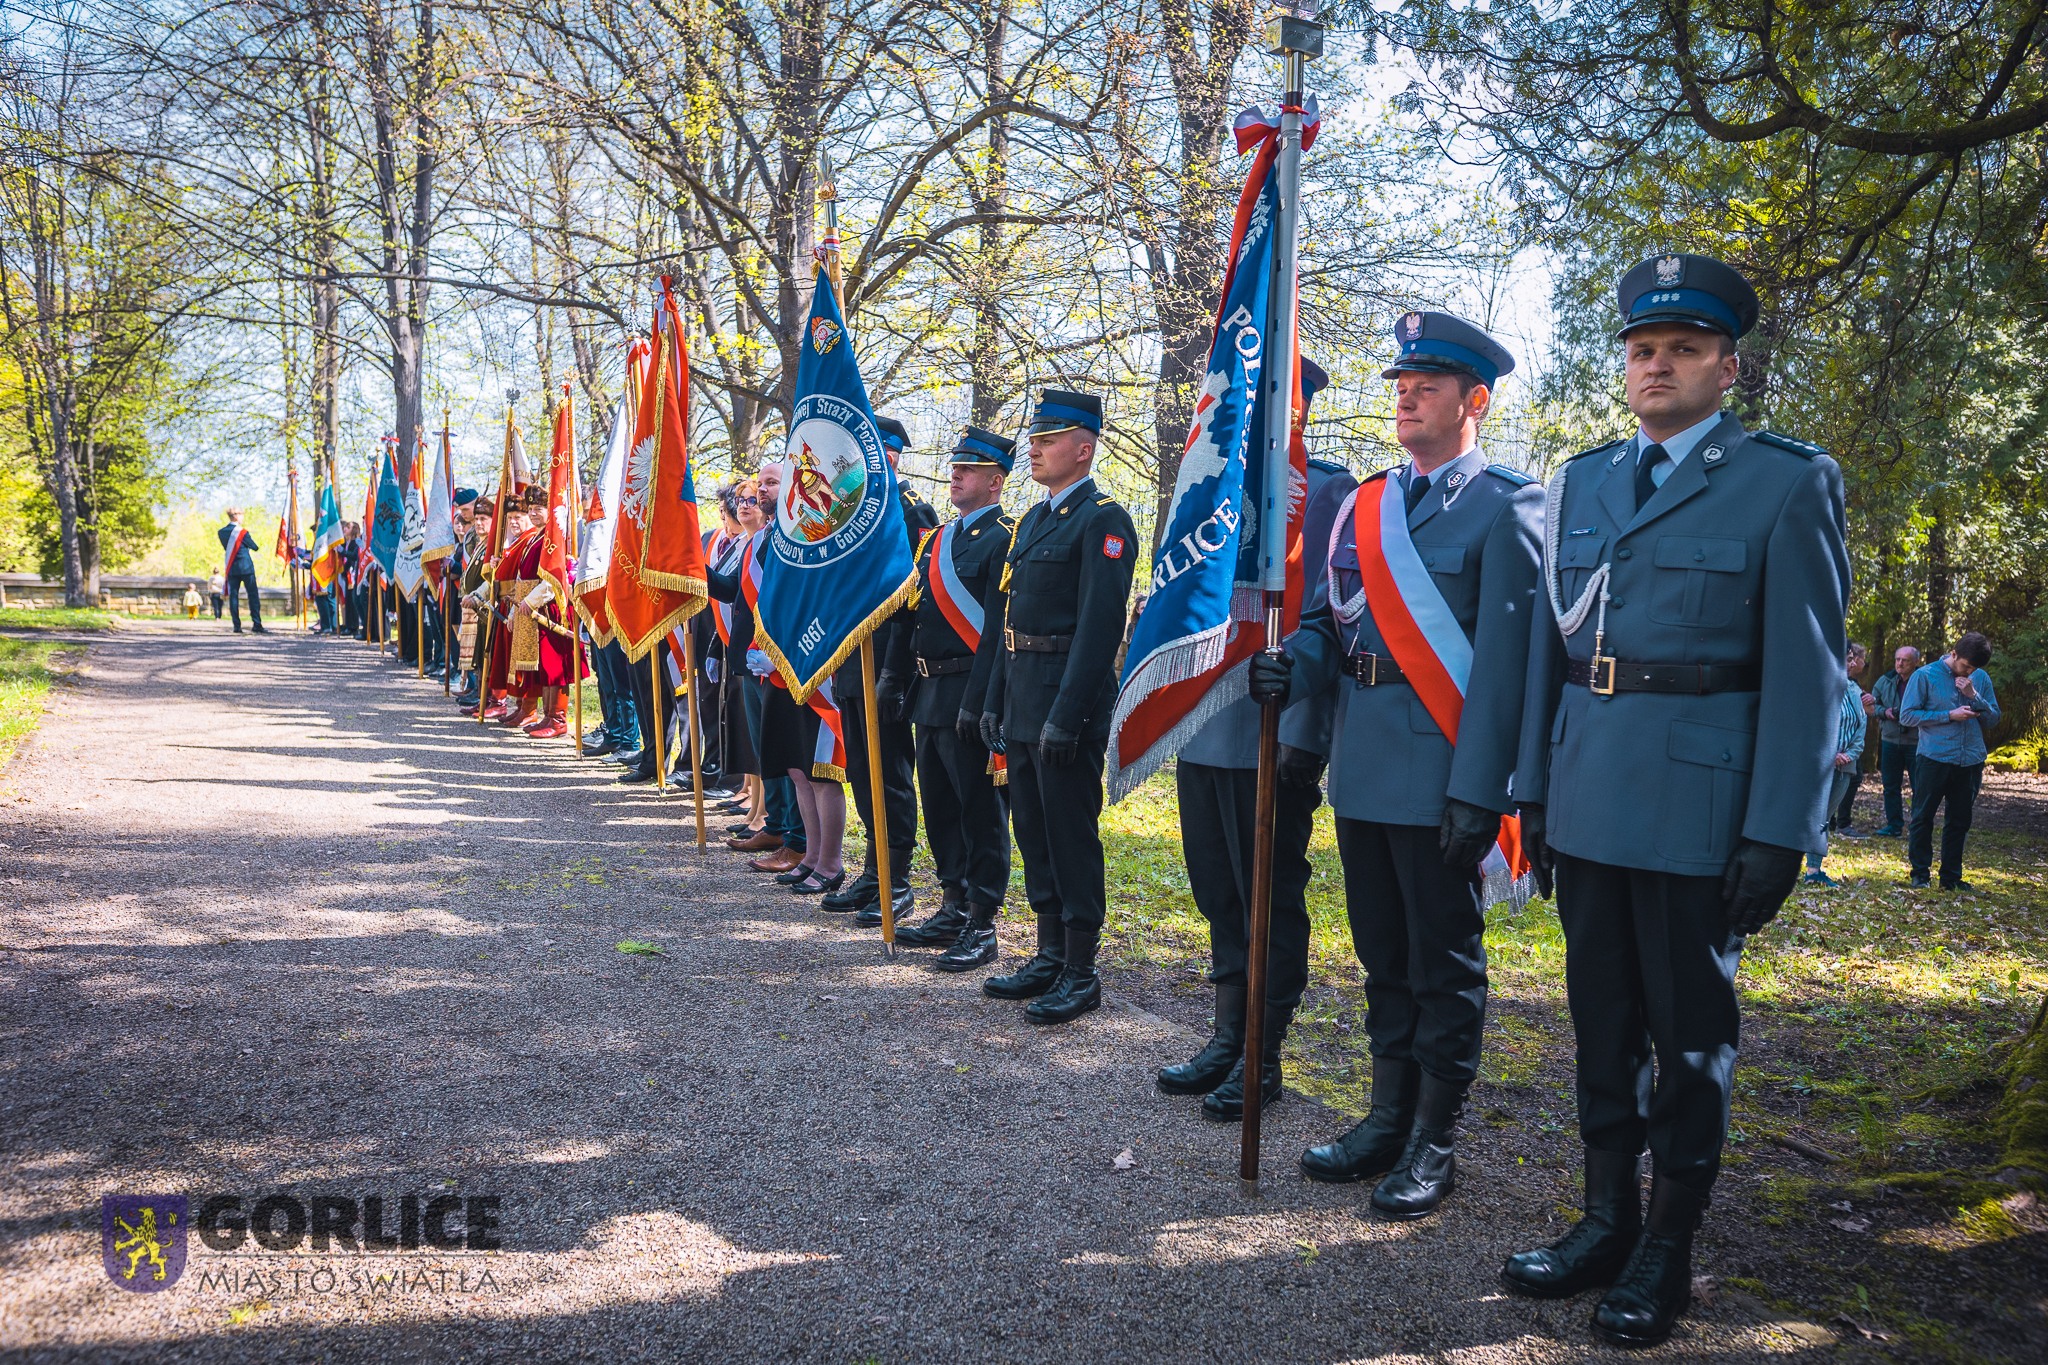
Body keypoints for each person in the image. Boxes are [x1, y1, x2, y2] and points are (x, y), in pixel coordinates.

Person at [1502, 254, 1848, 1348]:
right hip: (1590, 787)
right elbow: (1553, 657)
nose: (1656, 366)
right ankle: (1603, 1219)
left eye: (1682, 349)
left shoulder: (1786, 480)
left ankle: (1666, 1245)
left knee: (1687, 1039)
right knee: (1599, 1026)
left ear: (1726, 367)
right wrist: (1538, 796)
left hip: (1702, 810)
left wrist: (1779, 829)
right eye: (1642, 350)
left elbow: (1808, 673)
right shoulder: (1585, 479)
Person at [1250, 319, 1541, 1212]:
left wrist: (1481, 788)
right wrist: (1290, 665)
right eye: (1401, 381)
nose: (1407, 395)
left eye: (1429, 383)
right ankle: (1386, 1114)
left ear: (1474, 400)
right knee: (1382, 955)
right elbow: (1329, 629)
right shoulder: (1365, 502)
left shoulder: (1508, 504)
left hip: (1448, 770)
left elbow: (1507, 667)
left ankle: (1434, 1136)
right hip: (1367, 766)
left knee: (1442, 963)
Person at [1167, 360, 1355, 1122]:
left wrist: (1304, 738)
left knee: (1266, 899)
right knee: (1219, 892)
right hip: (1205, 723)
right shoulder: (1206, 482)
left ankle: (1262, 1053)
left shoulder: (1331, 488)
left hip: (1273, 733)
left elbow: (1332, 623)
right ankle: (1224, 1036)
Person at [974, 388, 1138, 1025]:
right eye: (1033, 440)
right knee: (1032, 830)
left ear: (1083, 448)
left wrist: (1068, 715)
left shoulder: (1102, 520)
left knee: (1070, 834)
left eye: (1046, 440)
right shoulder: (1036, 520)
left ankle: (1079, 967)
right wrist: (994, 700)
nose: (1034, 450)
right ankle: (1046, 953)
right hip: (1020, 697)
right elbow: (1009, 619)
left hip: (1064, 704)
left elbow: (1099, 629)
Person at [891, 424, 1018, 968]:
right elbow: (913, 614)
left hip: (973, 687)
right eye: (955, 468)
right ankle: (952, 901)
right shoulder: (937, 540)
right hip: (931, 690)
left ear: (996, 481)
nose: (955, 476)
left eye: (968, 470)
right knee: (940, 804)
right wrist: (896, 678)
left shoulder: (1006, 537)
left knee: (979, 809)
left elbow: (999, 629)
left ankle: (983, 918)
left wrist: (989, 698)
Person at [833, 415, 940, 930]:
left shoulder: (910, 512)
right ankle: (875, 870)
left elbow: (914, 598)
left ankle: (897, 882)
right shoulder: (846, 513)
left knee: (890, 775)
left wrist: (895, 673)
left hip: (889, 661)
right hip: (852, 661)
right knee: (860, 772)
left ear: (890, 456)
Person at [1900, 632, 1999, 891]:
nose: (1968, 671)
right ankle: (1920, 874)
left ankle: (1951, 878)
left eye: (1973, 668)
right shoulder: (1925, 675)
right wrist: (1949, 715)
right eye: (1965, 666)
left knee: (1959, 821)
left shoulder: (1980, 678)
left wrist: (1974, 694)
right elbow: (1907, 716)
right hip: (1934, 758)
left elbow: (1993, 719)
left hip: (1970, 760)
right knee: (1923, 817)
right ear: (1953, 654)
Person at [1803, 643, 1870, 886]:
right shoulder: (1819, 686)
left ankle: (1813, 871)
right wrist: (1829, 754)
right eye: (1848, 658)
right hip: (1819, 764)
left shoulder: (1853, 688)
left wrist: (1849, 754)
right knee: (1809, 815)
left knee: (1825, 818)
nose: (1853, 663)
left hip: (1845, 765)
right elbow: (1810, 725)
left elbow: (1861, 724)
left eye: (1854, 658)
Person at [1866, 645, 1921, 836]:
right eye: (1898, 659)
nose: (1900, 663)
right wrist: (1885, 712)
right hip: (1890, 739)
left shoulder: (1923, 680)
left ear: (1916, 662)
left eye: (1905, 660)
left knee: (1919, 786)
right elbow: (1872, 705)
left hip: (1916, 741)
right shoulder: (1886, 680)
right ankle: (1894, 825)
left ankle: (1918, 827)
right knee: (1890, 785)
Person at [218, 509, 267, 634]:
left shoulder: (221, 532)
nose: (242, 518)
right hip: (246, 568)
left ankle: (237, 626)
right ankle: (257, 623)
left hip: (232, 568)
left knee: (233, 597)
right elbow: (255, 547)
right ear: (236, 516)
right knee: (253, 596)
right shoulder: (243, 532)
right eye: (241, 515)